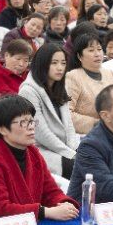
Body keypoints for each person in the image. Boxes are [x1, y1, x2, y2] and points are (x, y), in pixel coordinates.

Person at [0, 95, 79, 224]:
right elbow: (0, 209)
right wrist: (46, 212)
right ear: (2, 129)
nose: (31, 127)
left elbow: (50, 191)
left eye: (31, 121)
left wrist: (64, 204)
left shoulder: (33, 152)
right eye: (23, 122)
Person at [19, 43, 80, 178]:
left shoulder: (59, 87)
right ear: (42, 64)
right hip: (40, 150)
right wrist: (70, 154)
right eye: (54, 63)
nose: (60, 68)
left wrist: (74, 150)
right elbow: (41, 133)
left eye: (63, 63)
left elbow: (69, 125)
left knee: (94, 159)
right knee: (77, 167)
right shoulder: (28, 91)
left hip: (63, 148)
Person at [66, 33, 113, 134]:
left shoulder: (109, 73)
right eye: (91, 50)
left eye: (99, 49)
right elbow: (66, 113)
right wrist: (96, 124)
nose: (97, 54)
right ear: (79, 56)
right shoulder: (73, 77)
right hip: (88, 134)